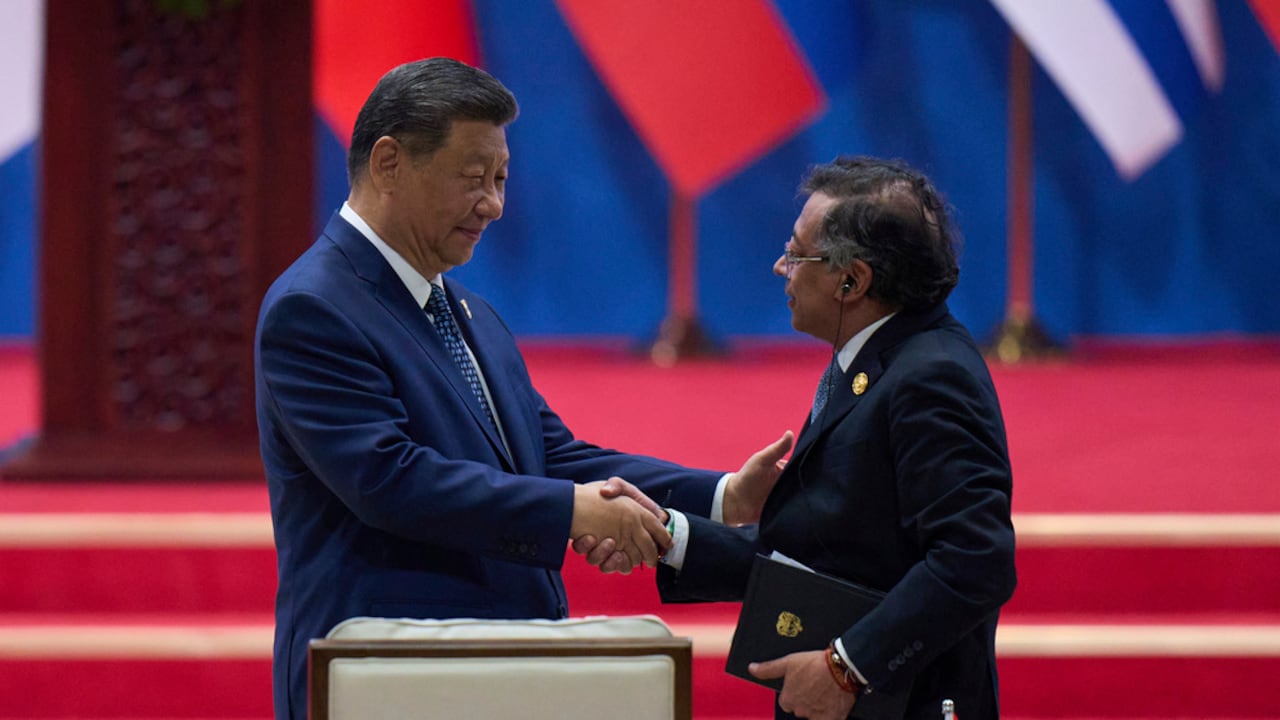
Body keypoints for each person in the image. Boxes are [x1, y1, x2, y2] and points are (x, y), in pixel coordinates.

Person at [254, 57, 790, 720]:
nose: (494, 205)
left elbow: (550, 455)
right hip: (386, 668)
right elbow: (389, 481)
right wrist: (572, 513)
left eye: (502, 179)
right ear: (389, 163)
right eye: (473, 179)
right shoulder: (315, 307)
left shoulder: (471, 314)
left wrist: (722, 494)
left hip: (492, 663)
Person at [597, 156, 1017, 719]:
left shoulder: (930, 377)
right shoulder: (879, 357)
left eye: (797, 254)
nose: (781, 267)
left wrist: (847, 668)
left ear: (853, 279)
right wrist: (670, 535)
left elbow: (975, 563)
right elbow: (835, 552)